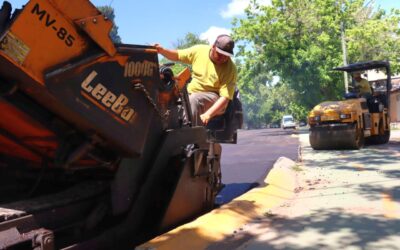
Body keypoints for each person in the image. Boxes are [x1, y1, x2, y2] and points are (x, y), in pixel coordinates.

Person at [154, 34, 237, 126]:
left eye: (226, 56)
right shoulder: (200, 51)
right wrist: (162, 51)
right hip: (190, 93)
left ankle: (189, 136)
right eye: (220, 54)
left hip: (215, 98)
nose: (223, 58)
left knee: (193, 100)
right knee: (165, 99)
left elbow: (225, 98)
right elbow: (177, 55)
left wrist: (208, 114)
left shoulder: (230, 68)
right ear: (213, 47)